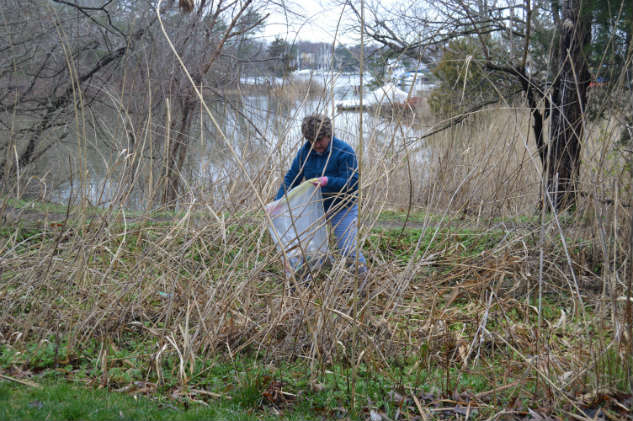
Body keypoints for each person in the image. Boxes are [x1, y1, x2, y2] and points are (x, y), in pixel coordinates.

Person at [275, 114, 368, 282]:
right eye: (311, 141)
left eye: (320, 140)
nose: (316, 145)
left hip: (342, 206)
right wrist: (279, 201)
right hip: (315, 207)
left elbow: (353, 183)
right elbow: (292, 177)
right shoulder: (305, 152)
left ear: (329, 135)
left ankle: (362, 282)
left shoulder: (343, 151)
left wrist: (328, 181)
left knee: (347, 248)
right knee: (305, 246)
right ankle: (303, 281)